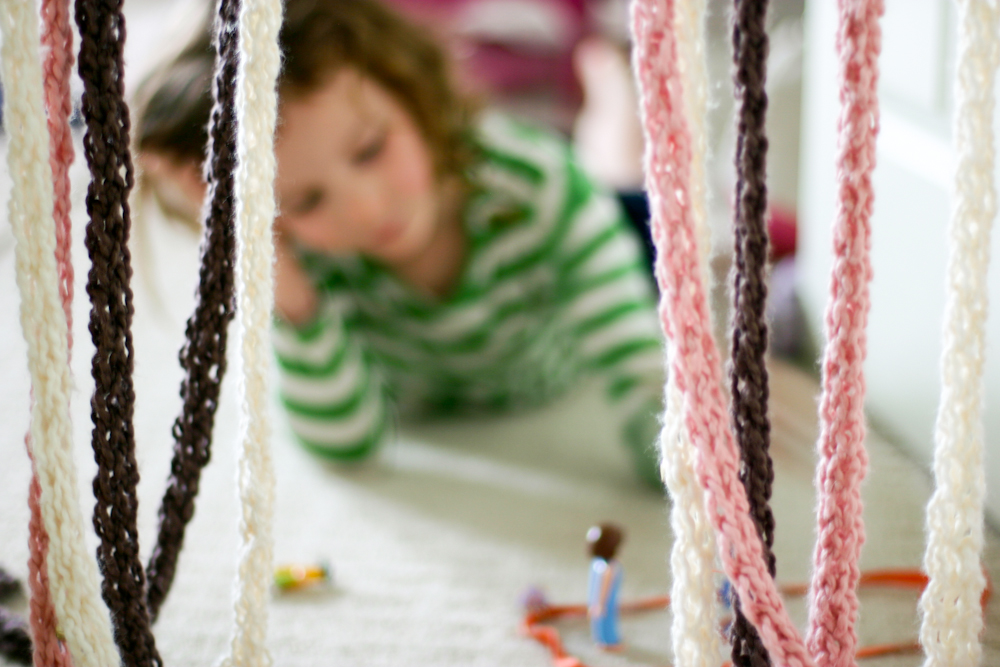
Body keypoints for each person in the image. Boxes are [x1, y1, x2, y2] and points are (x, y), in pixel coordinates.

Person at [134, 0, 665, 487]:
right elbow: (344, 444)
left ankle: (609, 76)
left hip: (586, 219)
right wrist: (275, 276)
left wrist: (693, 471)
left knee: (641, 200)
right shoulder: (307, 251)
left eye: (369, 150)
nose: (364, 208)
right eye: (308, 199)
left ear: (411, 89)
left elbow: (644, 380)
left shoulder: (541, 189)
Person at [586, 522, 624, 649]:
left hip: (604, 601)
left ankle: (609, 641)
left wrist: (600, 603)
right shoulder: (600, 565)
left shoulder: (607, 568)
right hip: (598, 600)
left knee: (606, 621)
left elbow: (605, 587)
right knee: (600, 621)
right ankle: (603, 641)